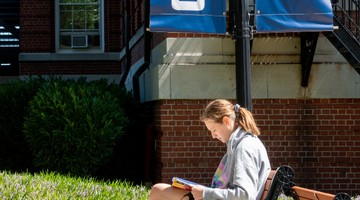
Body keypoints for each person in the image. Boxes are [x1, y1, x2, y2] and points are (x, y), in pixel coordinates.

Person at [149, 99, 271, 200]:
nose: (213, 136)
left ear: (226, 121)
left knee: (159, 191)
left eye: (214, 130)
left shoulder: (245, 147)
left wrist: (205, 193)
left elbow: (245, 195)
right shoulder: (242, 144)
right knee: (159, 190)